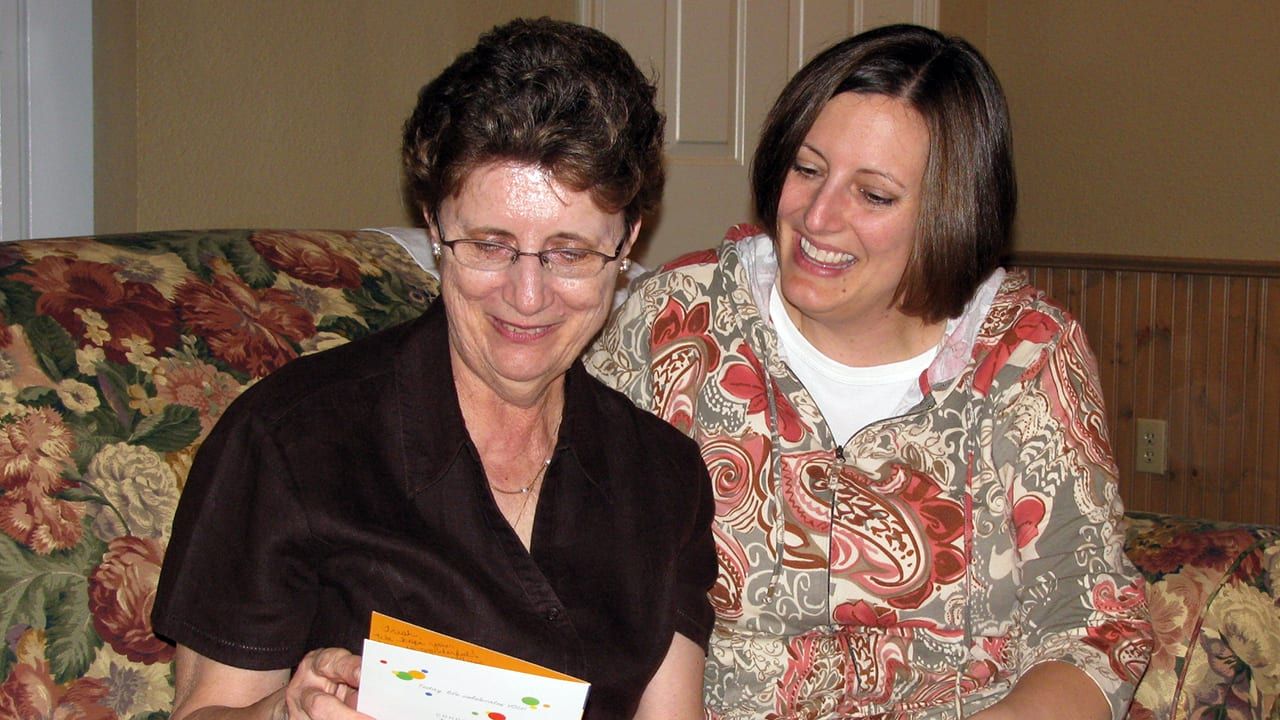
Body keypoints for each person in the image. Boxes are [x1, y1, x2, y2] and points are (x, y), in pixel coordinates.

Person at [153, 17, 716, 720]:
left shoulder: (662, 477)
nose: (528, 296)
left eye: (571, 252)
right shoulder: (293, 443)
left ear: (629, 239)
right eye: (489, 244)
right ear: (432, 225)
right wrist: (284, 716)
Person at [587, 23, 1152, 720]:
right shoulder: (674, 321)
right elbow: (571, 561)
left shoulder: (1029, 358)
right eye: (808, 168)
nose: (817, 217)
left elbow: (1093, 626)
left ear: (951, 213)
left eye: (874, 195)